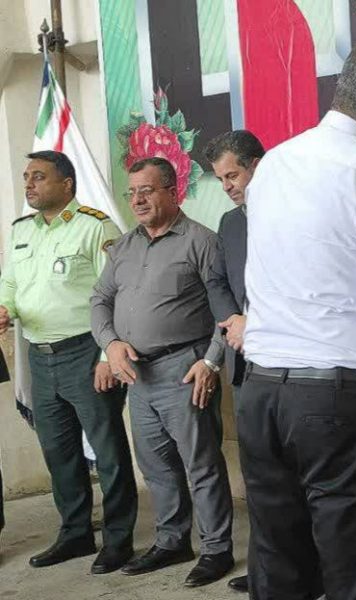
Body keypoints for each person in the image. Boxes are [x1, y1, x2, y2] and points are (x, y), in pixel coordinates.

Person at [238, 37, 356, 600]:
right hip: (338, 404)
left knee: (278, 568)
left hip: (262, 395)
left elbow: (298, 271)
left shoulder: (273, 165)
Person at [90, 157, 235, 587]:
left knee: (201, 465)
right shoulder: (124, 246)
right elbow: (100, 300)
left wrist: (211, 361)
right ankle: (172, 541)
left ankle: (216, 550)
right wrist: (110, 344)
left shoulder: (201, 241)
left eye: (147, 190)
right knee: (155, 465)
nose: (137, 199)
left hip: (184, 369)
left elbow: (226, 309)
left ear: (173, 192)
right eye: (132, 192)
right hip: (137, 374)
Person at [0, 151, 138, 573]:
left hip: (86, 352)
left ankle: (118, 539)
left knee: (109, 451)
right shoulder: (21, 230)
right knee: (58, 452)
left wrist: (107, 355)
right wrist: (5, 309)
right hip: (40, 357)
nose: (29, 184)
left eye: (39, 177)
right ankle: (76, 533)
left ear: (67, 184)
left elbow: (118, 296)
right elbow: (10, 283)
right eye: (27, 177)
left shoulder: (95, 227)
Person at [202, 130, 264, 594]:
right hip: (245, 365)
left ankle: (316, 566)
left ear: (256, 165)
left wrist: (254, 324)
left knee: (300, 476)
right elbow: (217, 282)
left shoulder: (295, 210)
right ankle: (269, 567)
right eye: (220, 179)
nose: (227, 186)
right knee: (260, 475)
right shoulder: (229, 223)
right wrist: (233, 322)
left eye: (233, 175)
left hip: (293, 364)